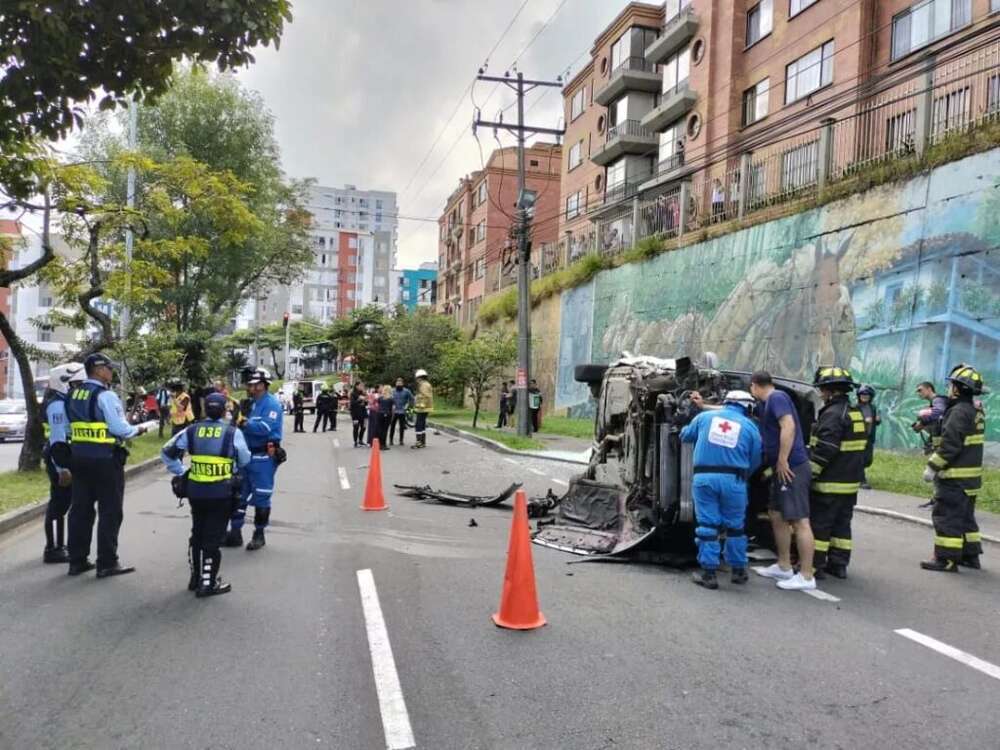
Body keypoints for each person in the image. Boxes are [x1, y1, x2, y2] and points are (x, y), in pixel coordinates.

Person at [66, 352, 149, 577]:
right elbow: (120, 429)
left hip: (79, 458)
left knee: (80, 510)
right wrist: (140, 429)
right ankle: (107, 562)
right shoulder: (106, 395)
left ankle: (77, 560)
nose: (111, 372)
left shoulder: (73, 394)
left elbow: (66, 428)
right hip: (105, 459)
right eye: (109, 368)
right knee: (110, 511)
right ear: (99, 370)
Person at [161, 393, 251, 597]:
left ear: (204, 409)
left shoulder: (191, 430)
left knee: (198, 533)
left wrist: (182, 471)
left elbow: (167, 451)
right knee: (213, 537)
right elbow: (245, 459)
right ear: (224, 410)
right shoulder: (232, 433)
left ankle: (196, 578)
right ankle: (208, 583)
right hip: (221, 493)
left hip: (196, 492)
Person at [680, 390, 762, 589]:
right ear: (748, 407)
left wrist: (684, 422)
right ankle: (738, 571)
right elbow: (756, 458)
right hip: (735, 481)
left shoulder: (704, 418)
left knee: (708, 525)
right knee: (736, 527)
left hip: (704, 479)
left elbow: (685, 436)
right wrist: (743, 475)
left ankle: (709, 574)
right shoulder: (750, 427)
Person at [748, 371, 818, 591]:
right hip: (782, 469)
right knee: (776, 514)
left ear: (754, 386)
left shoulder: (777, 398)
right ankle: (784, 565)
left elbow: (788, 426)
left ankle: (806, 576)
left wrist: (782, 459)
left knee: (799, 520)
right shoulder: (766, 403)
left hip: (791, 467)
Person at [921, 364, 986, 573]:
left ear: (958, 389)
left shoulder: (958, 412)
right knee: (965, 519)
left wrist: (932, 466)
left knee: (947, 518)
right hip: (970, 479)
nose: (949, 389)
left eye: (952, 385)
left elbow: (950, 445)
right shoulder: (975, 411)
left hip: (955, 479)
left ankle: (946, 559)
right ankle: (970, 556)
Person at [808, 367, 866, 580]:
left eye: (822, 389)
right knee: (842, 526)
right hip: (849, 483)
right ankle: (839, 564)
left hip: (829, 483)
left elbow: (826, 449)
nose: (821, 393)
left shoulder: (832, 414)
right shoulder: (855, 412)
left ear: (830, 390)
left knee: (820, 526)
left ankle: (815, 566)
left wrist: (810, 474)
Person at [224, 368, 284, 551]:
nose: (251, 388)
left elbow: (264, 429)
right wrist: (235, 418)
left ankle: (259, 534)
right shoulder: (249, 404)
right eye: (249, 384)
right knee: (238, 494)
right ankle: (235, 533)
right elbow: (236, 428)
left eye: (255, 384)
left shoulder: (272, 404)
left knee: (261, 496)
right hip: (244, 456)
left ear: (264, 385)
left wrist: (243, 421)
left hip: (263, 457)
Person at [40, 362, 87, 564]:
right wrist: (62, 469)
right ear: (64, 383)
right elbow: (58, 438)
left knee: (64, 502)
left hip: (64, 455)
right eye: (76, 384)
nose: (79, 388)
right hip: (58, 457)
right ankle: (53, 548)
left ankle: (59, 545)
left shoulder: (64, 401)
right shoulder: (57, 406)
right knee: (59, 502)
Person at [856, 384, 880, 490]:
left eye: (867, 395)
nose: (864, 397)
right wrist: (863, 421)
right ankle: (862, 480)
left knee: (868, 460)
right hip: (859, 437)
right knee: (860, 459)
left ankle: (855, 473)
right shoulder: (856, 408)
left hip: (869, 437)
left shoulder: (872, 408)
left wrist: (877, 420)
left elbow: (875, 422)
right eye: (862, 395)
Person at [412, 369, 433, 449]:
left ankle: (419, 442)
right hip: (426, 408)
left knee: (418, 425)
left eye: (417, 378)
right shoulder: (426, 384)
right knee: (422, 424)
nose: (416, 380)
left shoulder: (423, 385)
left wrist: (419, 404)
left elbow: (426, 396)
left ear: (419, 377)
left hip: (422, 408)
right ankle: (423, 442)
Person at [390, 378, 414, 445]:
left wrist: (408, 405)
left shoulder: (406, 391)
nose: (398, 384)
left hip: (402, 411)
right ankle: (391, 440)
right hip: (394, 411)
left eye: (400, 383)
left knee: (402, 426)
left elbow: (412, 399)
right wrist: (391, 405)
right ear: (395, 384)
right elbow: (388, 398)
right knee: (392, 426)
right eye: (397, 383)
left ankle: (401, 440)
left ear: (403, 384)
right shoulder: (392, 391)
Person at [350, 382, 368, 447]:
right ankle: (355, 442)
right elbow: (352, 403)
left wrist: (365, 401)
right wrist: (359, 399)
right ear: (356, 386)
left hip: (363, 413)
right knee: (356, 427)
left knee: (364, 427)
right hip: (355, 414)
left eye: (363, 386)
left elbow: (366, 403)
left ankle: (360, 440)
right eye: (361, 386)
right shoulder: (353, 393)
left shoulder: (363, 393)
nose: (362, 387)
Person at [377, 385, 395, 449]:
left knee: (380, 429)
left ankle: (379, 444)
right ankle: (383, 444)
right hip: (387, 414)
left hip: (379, 414)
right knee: (385, 430)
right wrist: (392, 416)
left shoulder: (380, 398)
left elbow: (378, 405)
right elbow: (393, 408)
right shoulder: (391, 399)